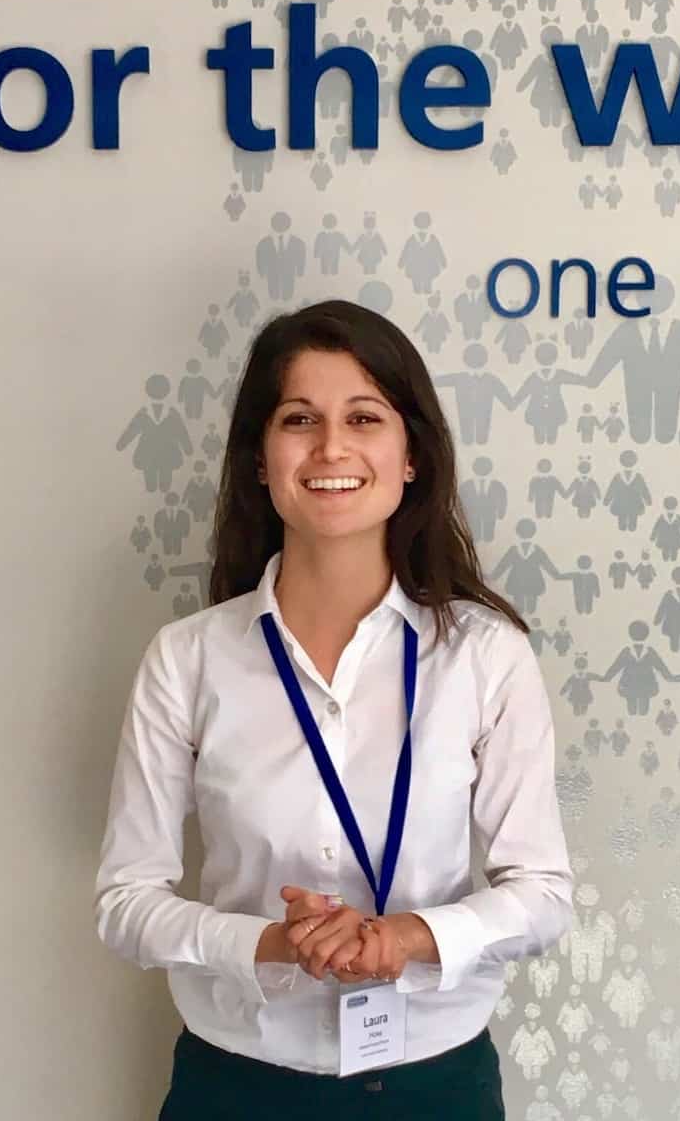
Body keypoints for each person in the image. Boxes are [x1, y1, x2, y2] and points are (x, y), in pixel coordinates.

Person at [94, 301, 573, 1118]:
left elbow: (542, 891)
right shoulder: (188, 658)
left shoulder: (486, 656)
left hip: (434, 1084)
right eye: (299, 419)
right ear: (259, 457)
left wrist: (408, 937)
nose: (332, 448)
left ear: (412, 453)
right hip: (237, 1082)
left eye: (364, 417)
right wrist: (265, 945)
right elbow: (126, 899)